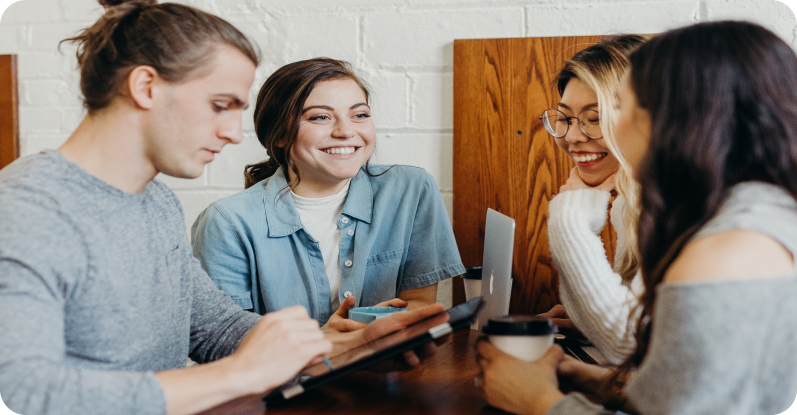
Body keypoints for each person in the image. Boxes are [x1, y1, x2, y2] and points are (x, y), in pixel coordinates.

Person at [0, 2, 445, 414]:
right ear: (145, 86)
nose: (235, 134)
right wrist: (238, 375)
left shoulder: (156, 202)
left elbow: (216, 329)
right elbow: (21, 391)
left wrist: (351, 347)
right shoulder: (27, 210)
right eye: (220, 106)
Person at [476, 21, 797, 415]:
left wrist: (540, 401)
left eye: (622, 107)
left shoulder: (724, 249)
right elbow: (694, 390)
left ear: (677, 119)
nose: (583, 134)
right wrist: (598, 381)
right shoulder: (753, 213)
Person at [191, 58, 465, 331]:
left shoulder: (411, 190)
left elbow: (418, 302)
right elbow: (226, 338)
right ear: (279, 135)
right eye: (320, 117)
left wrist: (362, 334)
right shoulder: (226, 222)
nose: (346, 131)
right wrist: (332, 341)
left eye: (359, 115)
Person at [539, 35, 647, 364]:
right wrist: (589, 322)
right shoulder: (634, 204)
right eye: (565, 118)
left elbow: (630, 346)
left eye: (595, 117)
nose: (572, 136)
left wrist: (568, 221)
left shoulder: (683, 206)